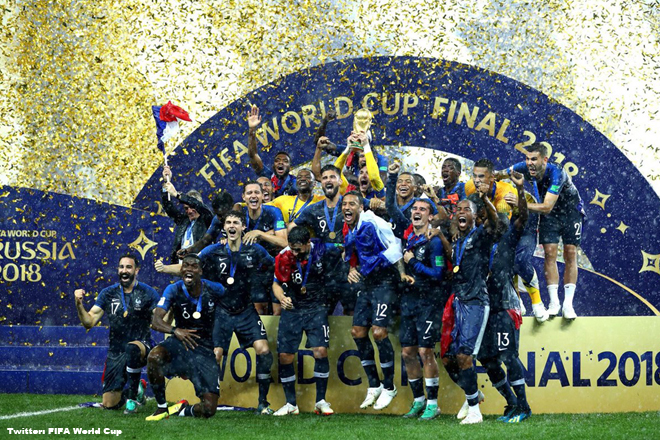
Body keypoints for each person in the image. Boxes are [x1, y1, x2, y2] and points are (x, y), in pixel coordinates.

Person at [342, 190, 414, 411]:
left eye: (352, 204)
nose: (347, 208)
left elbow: (395, 246)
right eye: (344, 204)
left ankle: (389, 386)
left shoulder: (374, 222)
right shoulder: (351, 227)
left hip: (385, 282)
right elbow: (354, 252)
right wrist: (351, 269)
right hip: (367, 283)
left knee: (379, 332)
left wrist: (401, 273)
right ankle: (374, 385)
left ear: (361, 207)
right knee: (357, 332)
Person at [199, 211, 276, 414]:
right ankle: (208, 401)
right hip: (222, 311)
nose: (231, 226)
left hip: (246, 310)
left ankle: (263, 403)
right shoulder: (214, 250)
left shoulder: (255, 249)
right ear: (224, 227)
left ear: (243, 228)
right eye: (228, 223)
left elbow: (273, 265)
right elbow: (191, 266)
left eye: (236, 222)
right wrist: (166, 268)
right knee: (215, 355)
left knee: (264, 351)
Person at [496, 143, 585, 319]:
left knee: (570, 252)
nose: (529, 163)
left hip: (570, 212)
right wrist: (488, 180)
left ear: (544, 160)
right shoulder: (524, 167)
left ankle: (568, 304)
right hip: (550, 216)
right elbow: (500, 174)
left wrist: (520, 203)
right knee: (549, 253)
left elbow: (546, 206)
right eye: (527, 159)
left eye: (534, 159)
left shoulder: (557, 173)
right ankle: (554, 303)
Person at [441, 192, 503, 425]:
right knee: (450, 359)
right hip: (459, 302)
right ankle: (473, 395)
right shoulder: (458, 240)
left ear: (476, 217)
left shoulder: (480, 235)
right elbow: (455, 261)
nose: (461, 212)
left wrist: (486, 200)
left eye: (466, 209)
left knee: (465, 355)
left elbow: (495, 223)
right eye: (459, 209)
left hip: (476, 302)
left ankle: (475, 411)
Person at [477, 170, 533, 423]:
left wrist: (520, 189)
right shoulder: (481, 242)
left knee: (509, 356)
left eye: (501, 220)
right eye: (492, 220)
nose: (497, 224)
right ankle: (511, 402)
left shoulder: (508, 240)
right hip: (486, 308)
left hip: (505, 306)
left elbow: (523, 218)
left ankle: (524, 407)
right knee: (486, 358)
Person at [74, 254, 159, 413]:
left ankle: (132, 399)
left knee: (132, 348)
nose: (124, 271)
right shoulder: (108, 293)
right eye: (121, 267)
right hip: (116, 350)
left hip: (142, 345)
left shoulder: (148, 293)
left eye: (129, 267)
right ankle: (137, 389)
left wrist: (170, 309)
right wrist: (79, 304)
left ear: (136, 270)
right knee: (109, 404)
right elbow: (89, 322)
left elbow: (161, 318)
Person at [467, 158, 549, 323]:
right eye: (474, 176)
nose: (476, 180)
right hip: (498, 221)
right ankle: (515, 298)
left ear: (492, 177)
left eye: (481, 176)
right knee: (499, 259)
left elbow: (504, 230)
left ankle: (537, 302)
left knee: (519, 260)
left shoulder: (504, 194)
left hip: (525, 222)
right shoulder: (469, 187)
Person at [146, 254, 225, 421]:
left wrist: (220, 342)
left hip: (204, 348)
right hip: (179, 343)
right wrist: (175, 330)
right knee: (154, 356)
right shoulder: (173, 289)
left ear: (201, 271)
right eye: (185, 266)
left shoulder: (215, 289)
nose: (189, 269)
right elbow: (155, 321)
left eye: (194, 266)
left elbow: (232, 308)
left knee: (209, 409)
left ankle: (181, 410)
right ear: (181, 270)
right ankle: (161, 408)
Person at [271, 227, 336, 416]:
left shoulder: (322, 251)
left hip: (316, 308)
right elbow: (275, 283)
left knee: (320, 351)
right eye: (292, 248)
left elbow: (344, 253)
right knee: (285, 356)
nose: (294, 253)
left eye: (298, 249)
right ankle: (291, 403)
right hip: (293, 308)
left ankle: (321, 401)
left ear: (308, 243)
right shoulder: (284, 256)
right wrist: (282, 298)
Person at [395, 198, 450, 420]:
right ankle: (418, 400)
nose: (417, 212)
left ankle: (433, 404)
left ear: (430, 216)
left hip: (428, 303)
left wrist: (413, 263)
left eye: (423, 209)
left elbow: (438, 274)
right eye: (415, 209)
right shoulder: (408, 239)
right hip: (409, 301)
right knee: (407, 352)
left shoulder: (433, 242)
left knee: (425, 352)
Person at [290, 165, 355, 315]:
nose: (328, 180)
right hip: (324, 272)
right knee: (321, 314)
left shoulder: (351, 203)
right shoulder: (313, 209)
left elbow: (373, 210)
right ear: (321, 183)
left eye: (332, 177)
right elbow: (292, 227)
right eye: (325, 178)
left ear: (340, 181)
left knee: (352, 314)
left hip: (348, 269)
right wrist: (302, 245)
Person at [241, 181, 288, 315]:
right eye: (249, 193)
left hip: (275, 267)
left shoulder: (274, 212)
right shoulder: (240, 214)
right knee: (259, 312)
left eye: (257, 192)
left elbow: (284, 242)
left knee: (278, 312)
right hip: (253, 270)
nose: (253, 196)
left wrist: (260, 234)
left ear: (263, 196)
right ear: (243, 197)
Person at [161, 165, 213, 264]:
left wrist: (177, 195)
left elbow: (200, 206)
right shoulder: (183, 220)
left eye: (192, 207)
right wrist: (166, 183)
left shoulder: (207, 219)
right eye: (186, 208)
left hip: (200, 265)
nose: (189, 211)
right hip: (181, 266)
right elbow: (168, 207)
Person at [247, 105, 297, 197]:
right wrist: (252, 130)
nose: (281, 163)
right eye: (277, 160)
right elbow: (252, 154)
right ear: (273, 165)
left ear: (290, 167)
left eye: (285, 161)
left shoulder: (295, 184)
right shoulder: (268, 176)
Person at [175, 190, 235, 260]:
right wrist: (188, 251)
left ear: (231, 208)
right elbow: (204, 241)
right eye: (218, 215)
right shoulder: (217, 220)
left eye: (222, 215)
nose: (220, 218)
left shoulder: (243, 217)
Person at [386, 164, 419, 239]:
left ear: (415, 188)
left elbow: (390, 206)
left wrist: (392, 176)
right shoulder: (386, 200)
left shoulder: (420, 205)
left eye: (408, 182)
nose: (403, 184)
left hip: (409, 242)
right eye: (400, 181)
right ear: (396, 186)